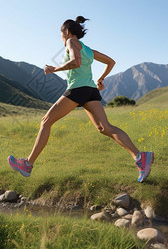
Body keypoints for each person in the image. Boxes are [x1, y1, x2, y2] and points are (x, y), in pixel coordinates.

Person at [8, 16, 154, 183]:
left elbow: (75, 62)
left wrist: (54, 69)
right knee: (104, 127)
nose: (62, 39)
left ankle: (27, 164)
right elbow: (111, 62)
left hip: (78, 89)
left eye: (61, 34)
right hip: (90, 90)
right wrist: (100, 79)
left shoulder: (71, 42)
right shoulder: (87, 49)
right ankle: (140, 157)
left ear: (67, 32)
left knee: (46, 121)